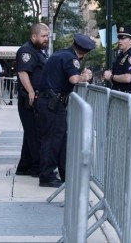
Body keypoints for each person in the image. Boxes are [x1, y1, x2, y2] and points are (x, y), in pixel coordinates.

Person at [37, 33, 95, 187]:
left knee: (60, 139)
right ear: (84, 53)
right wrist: (85, 76)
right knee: (53, 140)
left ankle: (64, 173)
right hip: (53, 103)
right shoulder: (71, 59)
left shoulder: (60, 54)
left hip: (50, 101)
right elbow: (74, 79)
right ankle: (47, 176)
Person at [15, 23, 50, 177]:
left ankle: (25, 166)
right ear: (34, 36)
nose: (46, 39)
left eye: (47, 36)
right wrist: (30, 91)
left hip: (35, 97)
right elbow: (23, 72)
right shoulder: (26, 51)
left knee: (31, 133)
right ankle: (37, 167)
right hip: (29, 99)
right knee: (35, 134)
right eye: (43, 36)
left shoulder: (38, 51)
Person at [103, 26, 131, 97]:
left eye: (123, 38)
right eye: (119, 38)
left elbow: (128, 78)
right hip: (120, 95)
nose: (119, 41)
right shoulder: (119, 56)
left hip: (129, 96)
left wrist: (111, 76)